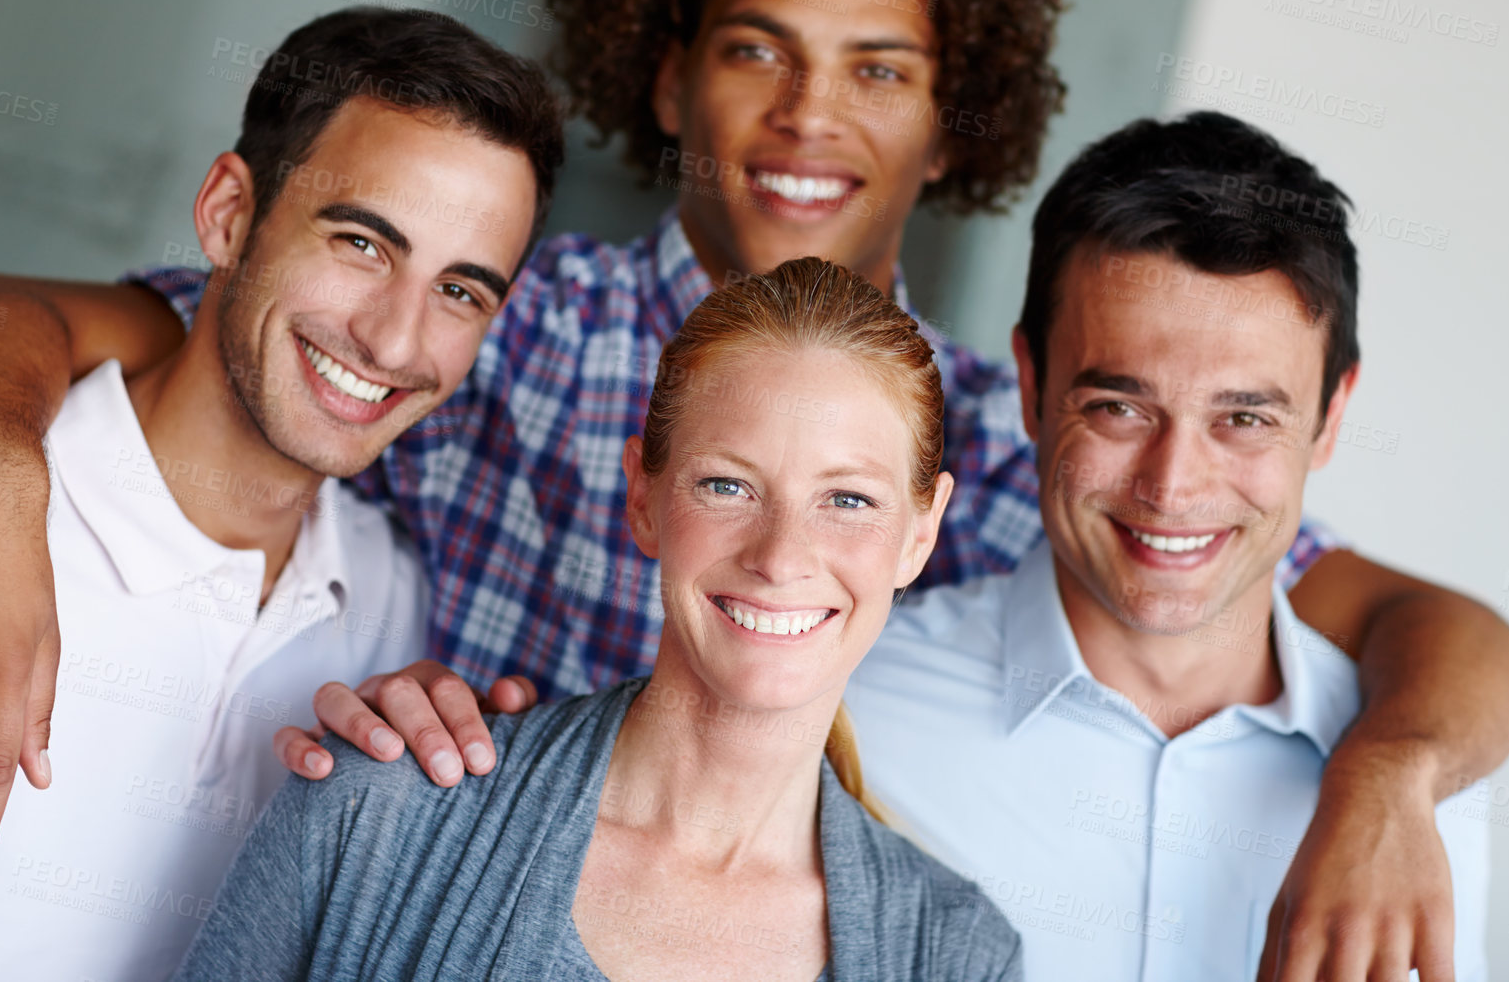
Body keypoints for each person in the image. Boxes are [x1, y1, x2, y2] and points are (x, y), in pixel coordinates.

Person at [0, 0, 1509, 974]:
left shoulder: (1009, 449)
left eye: (879, 67)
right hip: (420, 894)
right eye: (755, 49)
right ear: (669, 79)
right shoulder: (485, 319)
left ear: (953, 126)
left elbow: (1433, 625)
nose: (811, 113)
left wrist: (1387, 771)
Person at [0, 6, 563, 980]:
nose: (397, 342)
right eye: (362, 242)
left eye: (460, 291)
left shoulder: (396, 606)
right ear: (230, 213)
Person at [171, 257, 1021, 982]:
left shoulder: (959, 955)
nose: (781, 555)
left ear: (920, 534)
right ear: (643, 499)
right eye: (727, 485)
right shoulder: (376, 813)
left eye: (848, 499)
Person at [843, 112, 1489, 980]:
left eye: (1245, 418)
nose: (1172, 486)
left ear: (1331, 417)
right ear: (1031, 385)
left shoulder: (1430, 794)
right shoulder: (847, 717)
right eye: (1119, 407)